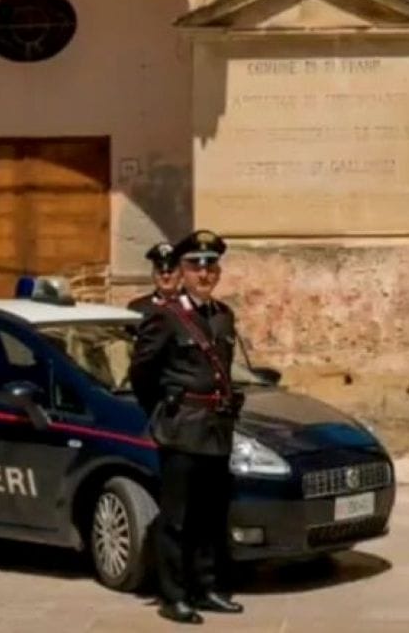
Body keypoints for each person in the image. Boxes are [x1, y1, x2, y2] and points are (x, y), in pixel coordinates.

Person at [129, 229, 244, 625]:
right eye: (195, 265)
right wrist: (164, 412)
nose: (204, 273)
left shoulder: (223, 316)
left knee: (211, 516)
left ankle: (208, 587)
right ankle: (174, 595)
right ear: (181, 270)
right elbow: (141, 373)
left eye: (211, 266)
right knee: (177, 518)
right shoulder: (165, 316)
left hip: (216, 429)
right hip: (181, 430)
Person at [128, 242, 182, 320]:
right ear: (153, 274)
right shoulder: (138, 308)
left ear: (180, 273)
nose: (166, 276)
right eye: (161, 272)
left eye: (170, 271)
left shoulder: (193, 306)